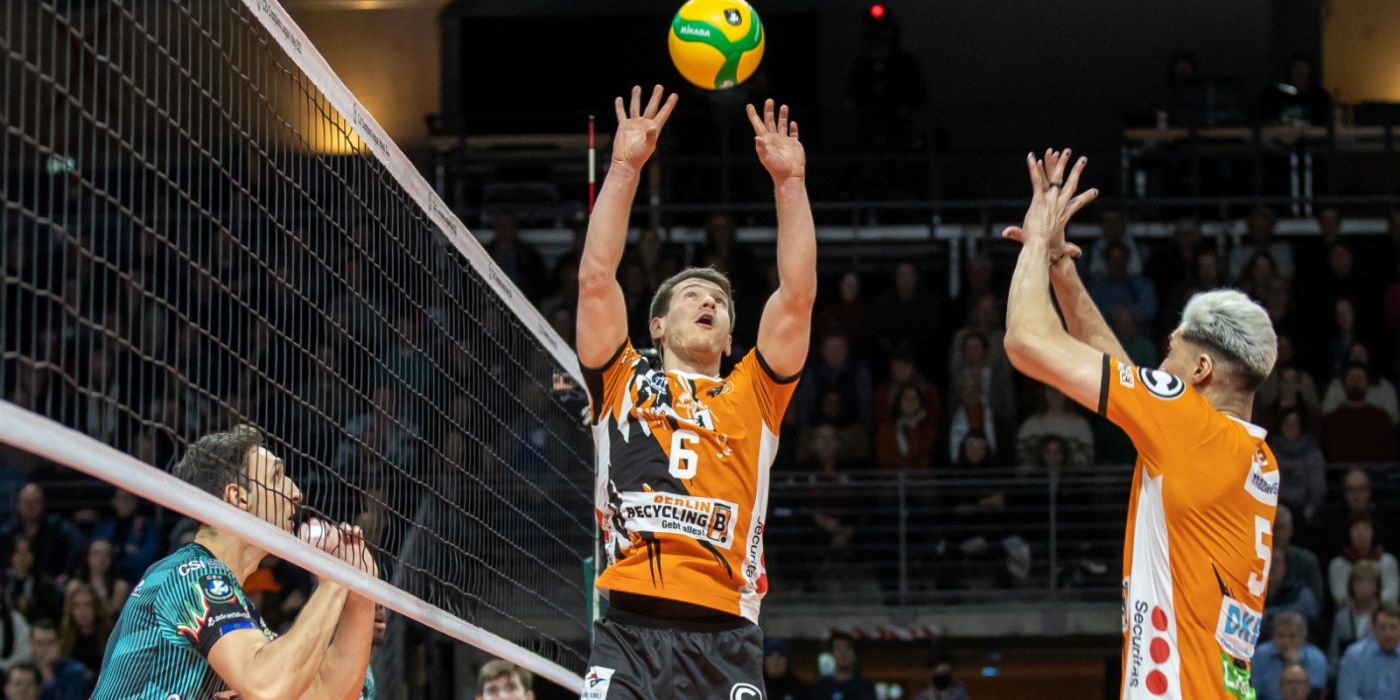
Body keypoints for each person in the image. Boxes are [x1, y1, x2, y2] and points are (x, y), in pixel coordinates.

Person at [999, 150, 1279, 697]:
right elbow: (1121, 376)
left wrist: (1034, 240)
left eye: (1171, 354)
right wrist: (1060, 266)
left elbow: (1025, 341)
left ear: (1201, 370)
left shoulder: (1187, 425)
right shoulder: (1253, 457)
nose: (1158, 366)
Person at [576, 87, 815, 696]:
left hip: (726, 637)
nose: (709, 302)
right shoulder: (622, 379)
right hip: (628, 631)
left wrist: (790, 184)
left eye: (720, 302)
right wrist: (624, 168)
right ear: (656, 325)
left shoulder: (754, 392)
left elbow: (796, 297)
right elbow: (596, 279)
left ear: (732, 339)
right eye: (692, 296)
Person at [91, 425, 377, 699]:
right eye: (277, 477)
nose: (295, 492)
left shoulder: (239, 619)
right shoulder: (189, 575)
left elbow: (331, 694)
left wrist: (359, 596)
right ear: (238, 497)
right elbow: (266, 688)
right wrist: (334, 579)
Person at [1327, 512, 1400, 606]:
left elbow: (1392, 593)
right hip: (1350, 612)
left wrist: (1370, 605)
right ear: (1348, 532)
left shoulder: (1388, 561)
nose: (1361, 533)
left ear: (1373, 532)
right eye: (1356, 528)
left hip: (1383, 610)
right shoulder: (1337, 564)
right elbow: (1340, 596)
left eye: (1366, 528)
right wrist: (1360, 607)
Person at [1251, 611, 1327, 700]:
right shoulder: (1260, 655)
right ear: (1273, 636)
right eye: (1281, 635)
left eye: (1292, 636)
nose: (1286, 642)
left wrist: (1295, 665)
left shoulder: (1316, 659)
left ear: (1303, 637)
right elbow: (1253, 692)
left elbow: (1313, 696)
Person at [1335, 602, 1400, 699]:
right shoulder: (1354, 655)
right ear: (1373, 629)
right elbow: (1347, 694)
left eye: (1393, 627)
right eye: (1382, 628)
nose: (1388, 634)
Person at [1330, 559, 1382, 669]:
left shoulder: (1385, 617)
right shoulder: (1342, 618)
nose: (1364, 586)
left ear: (1377, 586)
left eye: (1370, 582)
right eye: (1359, 581)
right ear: (1351, 585)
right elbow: (1334, 656)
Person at [24, 621, 86, 700]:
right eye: (40, 643)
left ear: (59, 643)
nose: (45, 648)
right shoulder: (23, 672)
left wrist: (47, 670)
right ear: (32, 645)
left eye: (50, 643)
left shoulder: (75, 671)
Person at [808, 632, 877, 700]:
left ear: (855, 655)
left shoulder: (867, 688)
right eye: (837, 648)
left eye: (848, 648)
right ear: (831, 655)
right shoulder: (819, 688)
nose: (843, 653)